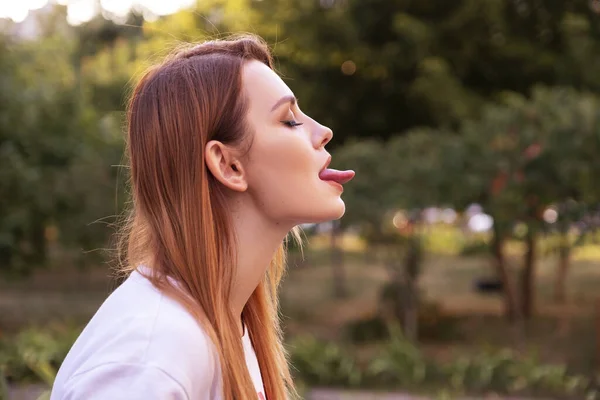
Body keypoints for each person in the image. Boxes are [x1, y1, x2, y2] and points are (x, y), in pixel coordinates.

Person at [50, 34, 354, 400]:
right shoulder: (149, 360)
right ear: (228, 165)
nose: (323, 133)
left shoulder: (223, 326)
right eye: (289, 120)